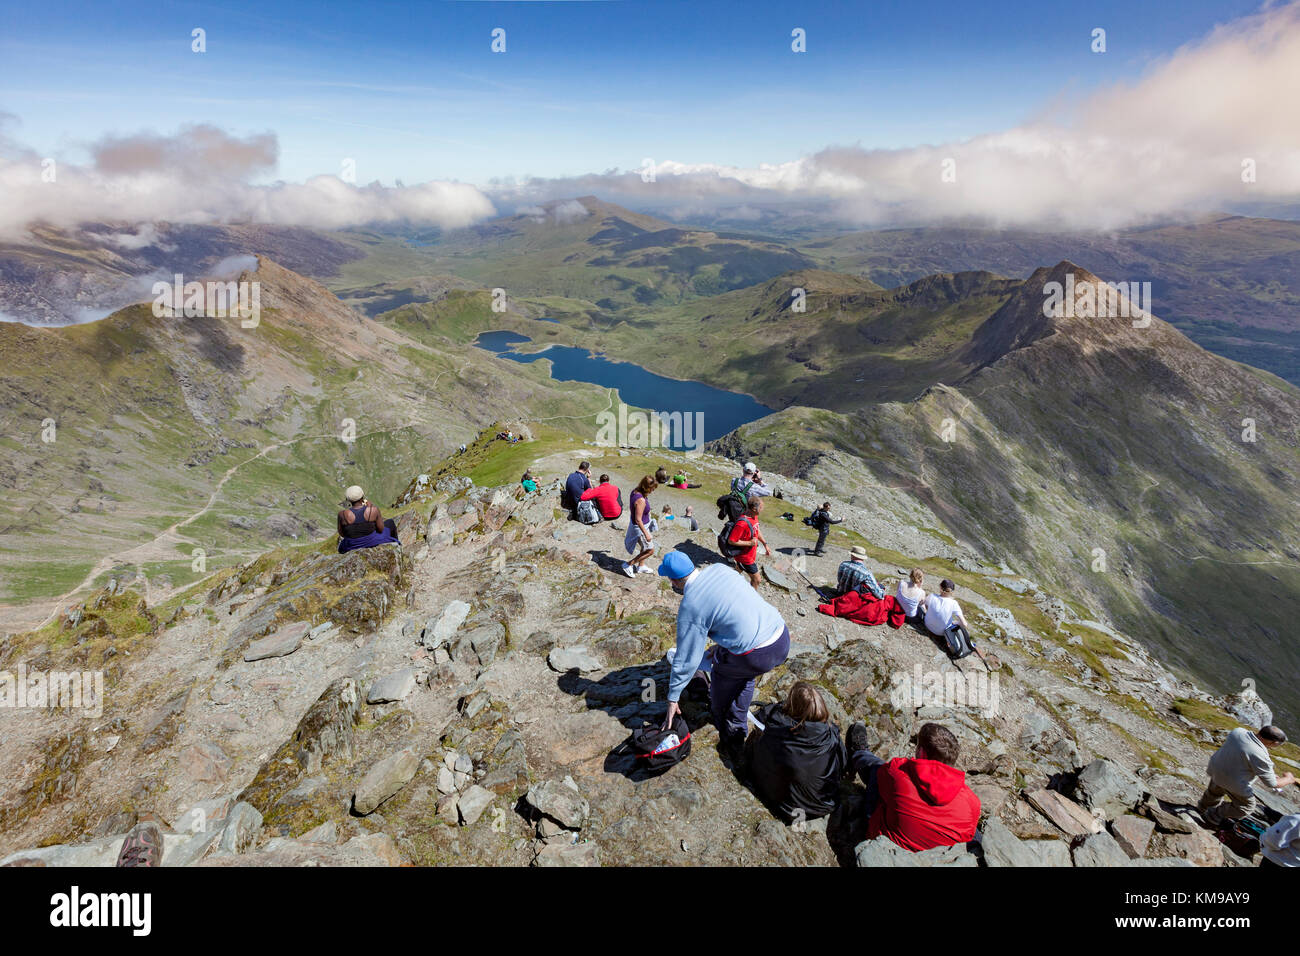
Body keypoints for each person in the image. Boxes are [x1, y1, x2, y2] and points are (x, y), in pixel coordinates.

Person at [658, 551, 791, 763]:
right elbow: (736, 608)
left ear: (673, 580)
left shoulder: (691, 604)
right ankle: (739, 722)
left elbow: (686, 658)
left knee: (721, 679)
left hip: (755, 654)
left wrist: (672, 698)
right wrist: (723, 645)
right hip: (781, 636)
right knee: (741, 673)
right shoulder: (719, 569)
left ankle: (730, 734)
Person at [846, 720, 980, 852]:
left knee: (877, 769)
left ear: (921, 752)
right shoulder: (972, 801)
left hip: (891, 850)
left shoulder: (898, 771)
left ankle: (859, 752)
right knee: (970, 826)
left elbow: (884, 775)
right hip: (942, 858)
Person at [746, 681, 846, 823]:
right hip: (824, 805)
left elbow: (761, 759)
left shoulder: (778, 733)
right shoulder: (832, 736)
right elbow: (843, 762)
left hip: (785, 808)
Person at [1197, 725, 1294, 826]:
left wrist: (1268, 773)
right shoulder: (1260, 755)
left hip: (1216, 769)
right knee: (1246, 807)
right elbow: (1272, 783)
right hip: (1233, 781)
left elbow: (1243, 755)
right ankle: (1213, 815)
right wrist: (1289, 779)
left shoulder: (1238, 731)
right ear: (1274, 743)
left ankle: (1202, 809)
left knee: (1214, 793)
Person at [337, 485, 399, 553]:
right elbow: (381, 529)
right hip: (372, 541)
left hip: (352, 545)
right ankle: (397, 547)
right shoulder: (373, 510)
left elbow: (342, 533)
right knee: (390, 522)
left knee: (341, 547)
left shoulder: (342, 514)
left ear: (348, 499)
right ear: (362, 496)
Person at [727, 497, 772, 588]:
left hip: (750, 554)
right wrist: (749, 543)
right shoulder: (742, 523)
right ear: (754, 509)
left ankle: (727, 584)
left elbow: (756, 529)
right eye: (761, 507)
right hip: (745, 556)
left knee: (738, 569)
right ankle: (752, 599)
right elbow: (731, 540)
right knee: (757, 579)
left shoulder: (754, 516)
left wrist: (765, 544)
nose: (762, 509)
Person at [622, 475, 658, 577]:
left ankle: (641, 566)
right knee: (650, 550)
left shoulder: (635, 491)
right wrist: (646, 534)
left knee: (644, 546)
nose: (653, 491)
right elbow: (638, 519)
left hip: (642, 525)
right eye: (652, 488)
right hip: (641, 529)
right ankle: (628, 565)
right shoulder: (641, 500)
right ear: (647, 487)